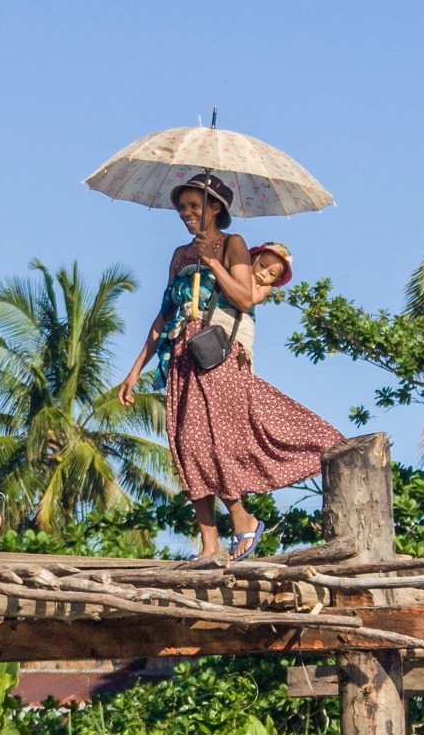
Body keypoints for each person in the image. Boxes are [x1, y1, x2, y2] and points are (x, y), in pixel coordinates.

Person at [115, 174, 341, 561]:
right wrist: (135, 369)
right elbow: (164, 313)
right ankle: (210, 544)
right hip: (181, 356)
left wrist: (213, 264)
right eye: (182, 207)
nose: (186, 214)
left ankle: (243, 519)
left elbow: (246, 299)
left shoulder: (232, 244)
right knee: (187, 447)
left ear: (215, 207)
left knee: (213, 444)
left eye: (194, 207)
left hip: (216, 354)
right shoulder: (179, 255)